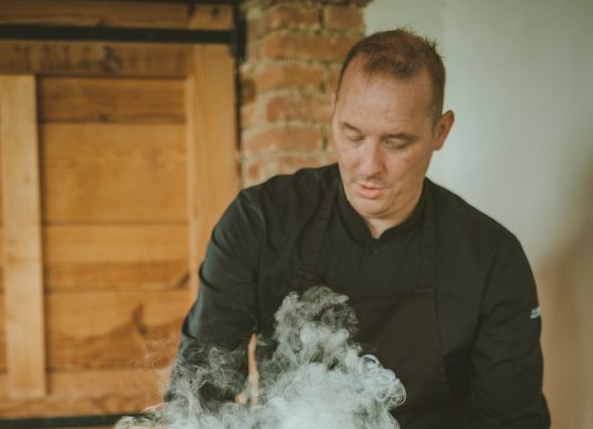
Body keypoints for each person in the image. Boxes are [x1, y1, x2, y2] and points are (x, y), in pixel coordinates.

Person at [166, 29, 551, 428]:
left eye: (396, 142)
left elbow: (513, 420)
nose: (368, 165)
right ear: (333, 111)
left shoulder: (490, 257)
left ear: (440, 132)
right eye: (353, 135)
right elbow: (201, 386)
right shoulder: (260, 221)